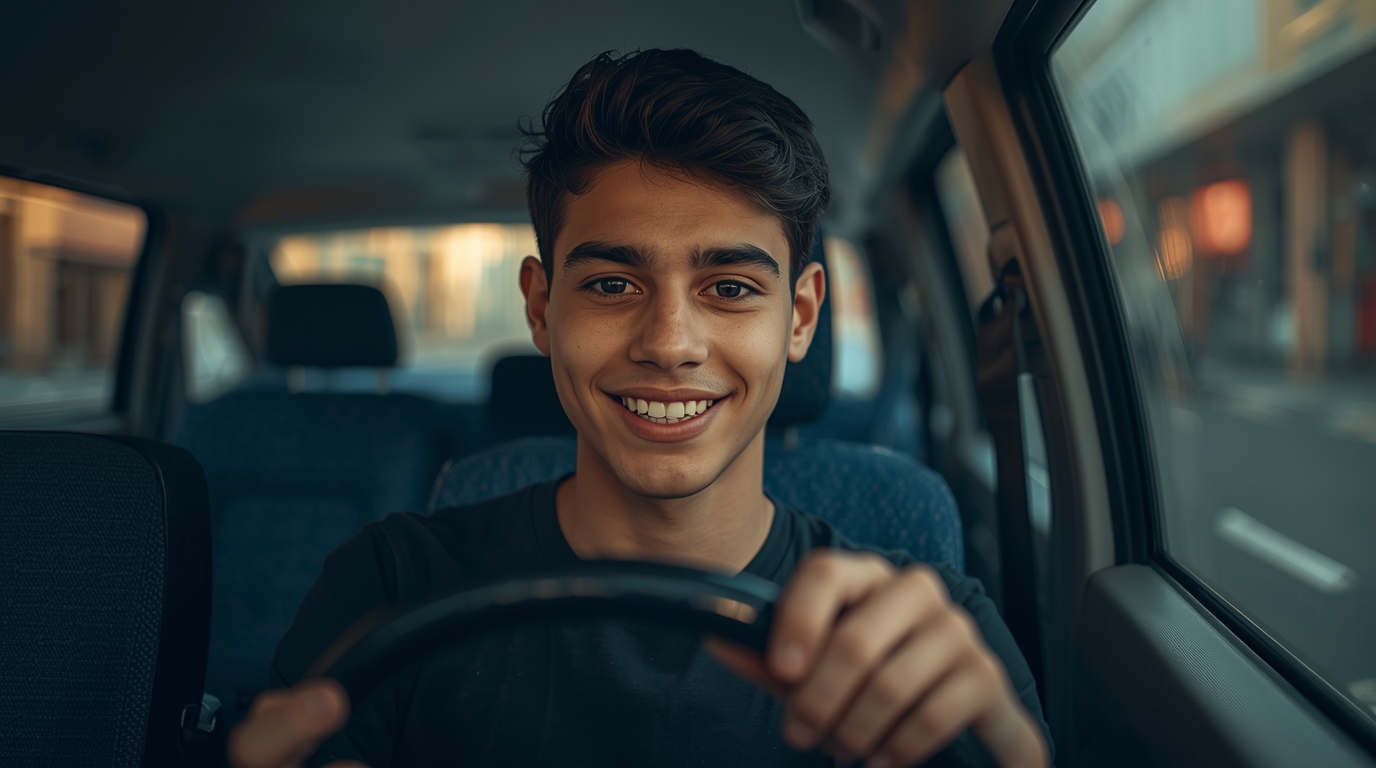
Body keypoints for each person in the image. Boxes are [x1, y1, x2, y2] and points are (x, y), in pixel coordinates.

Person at [228, 49, 1052, 768]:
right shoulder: (389, 583)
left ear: (798, 318)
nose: (669, 342)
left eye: (729, 288)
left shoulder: (921, 642)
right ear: (542, 309)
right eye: (612, 285)